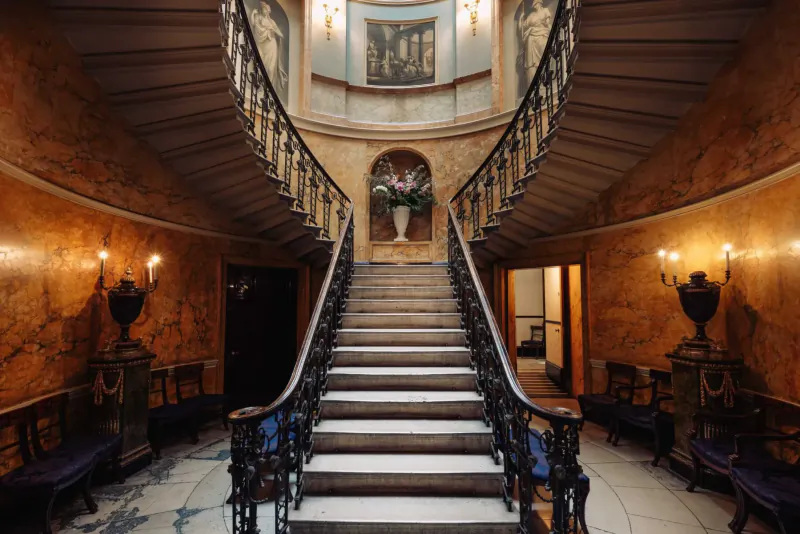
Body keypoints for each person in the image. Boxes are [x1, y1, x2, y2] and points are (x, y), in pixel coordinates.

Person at [251, 1, 288, 93]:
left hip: (272, 45)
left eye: (266, 9)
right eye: (263, 9)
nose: (265, 11)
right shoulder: (258, 17)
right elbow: (254, 25)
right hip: (262, 44)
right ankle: (259, 88)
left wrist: (276, 32)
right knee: (261, 65)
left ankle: (268, 90)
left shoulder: (272, 22)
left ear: (268, 11)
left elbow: (280, 34)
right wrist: (252, 14)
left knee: (271, 68)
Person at [517, 0, 552, 91]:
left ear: (539, 3)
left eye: (536, 4)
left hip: (542, 36)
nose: (534, 6)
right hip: (531, 40)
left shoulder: (545, 11)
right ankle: (534, 87)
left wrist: (551, 34)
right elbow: (523, 27)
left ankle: (545, 84)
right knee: (531, 64)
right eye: (534, 5)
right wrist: (521, 18)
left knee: (543, 58)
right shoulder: (531, 15)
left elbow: (548, 25)